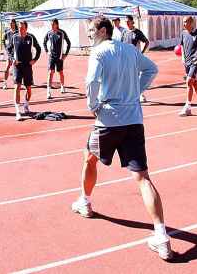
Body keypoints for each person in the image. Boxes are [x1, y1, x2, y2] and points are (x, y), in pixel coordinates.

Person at [71, 17, 173, 261]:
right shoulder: (130, 50)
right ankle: (162, 236)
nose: (89, 36)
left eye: (91, 31)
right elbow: (152, 69)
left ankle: (84, 202)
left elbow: (92, 82)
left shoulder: (98, 53)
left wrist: (92, 106)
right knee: (143, 177)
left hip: (108, 120)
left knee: (89, 158)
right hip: (133, 121)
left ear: (103, 31)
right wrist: (136, 90)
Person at [11, 21, 41, 121]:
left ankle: (26, 104)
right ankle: (17, 111)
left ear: (26, 28)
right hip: (17, 66)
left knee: (29, 89)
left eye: (23, 28)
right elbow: (9, 49)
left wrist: (35, 59)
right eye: (19, 27)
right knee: (17, 87)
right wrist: (12, 59)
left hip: (28, 66)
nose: (21, 29)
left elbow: (39, 48)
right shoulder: (14, 37)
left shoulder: (31, 37)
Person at [123, 15, 154, 103]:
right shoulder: (124, 32)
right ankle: (129, 94)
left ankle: (140, 94)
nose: (127, 23)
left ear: (132, 22)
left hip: (135, 58)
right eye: (126, 22)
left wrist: (142, 53)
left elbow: (147, 42)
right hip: (126, 58)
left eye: (128, 21)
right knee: (127, 77)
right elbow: (121, 44)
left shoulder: (137, 32)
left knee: (136, 77)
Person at [43, 19, 71, 99]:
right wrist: (47, 51)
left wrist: (65, 54)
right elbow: (44, 42)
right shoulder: (49, 33)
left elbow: (69, 43)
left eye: (53, 24)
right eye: (51, 24)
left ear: (56, 24)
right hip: (52, 56)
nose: (51, 26)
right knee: (50, 72)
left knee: (60, 72)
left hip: (59, 57)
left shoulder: (62, 33)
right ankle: (48, 91)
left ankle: (62, 86)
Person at [2, 19, 18, 90]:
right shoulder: (7, 33)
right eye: (10, 23)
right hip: (10, 53)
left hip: (17, 53)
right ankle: (5, 83)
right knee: (7, 67)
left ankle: (17, 82)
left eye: (12, 23)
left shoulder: (18, 32)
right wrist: (6, 47)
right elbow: (3, 40)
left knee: (17, 68)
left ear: (15, 24)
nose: (11, 24)